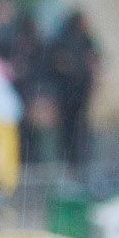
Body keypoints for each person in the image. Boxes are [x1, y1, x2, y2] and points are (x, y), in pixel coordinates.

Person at [42, 11, 100, 174]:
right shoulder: (65, 41)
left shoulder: (83, 40)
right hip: (68, 94)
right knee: (71, 130)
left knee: (77, 130)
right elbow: (57, 64)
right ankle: (72, 162)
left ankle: (77, 161)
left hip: (78, 94)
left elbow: (94, 59)